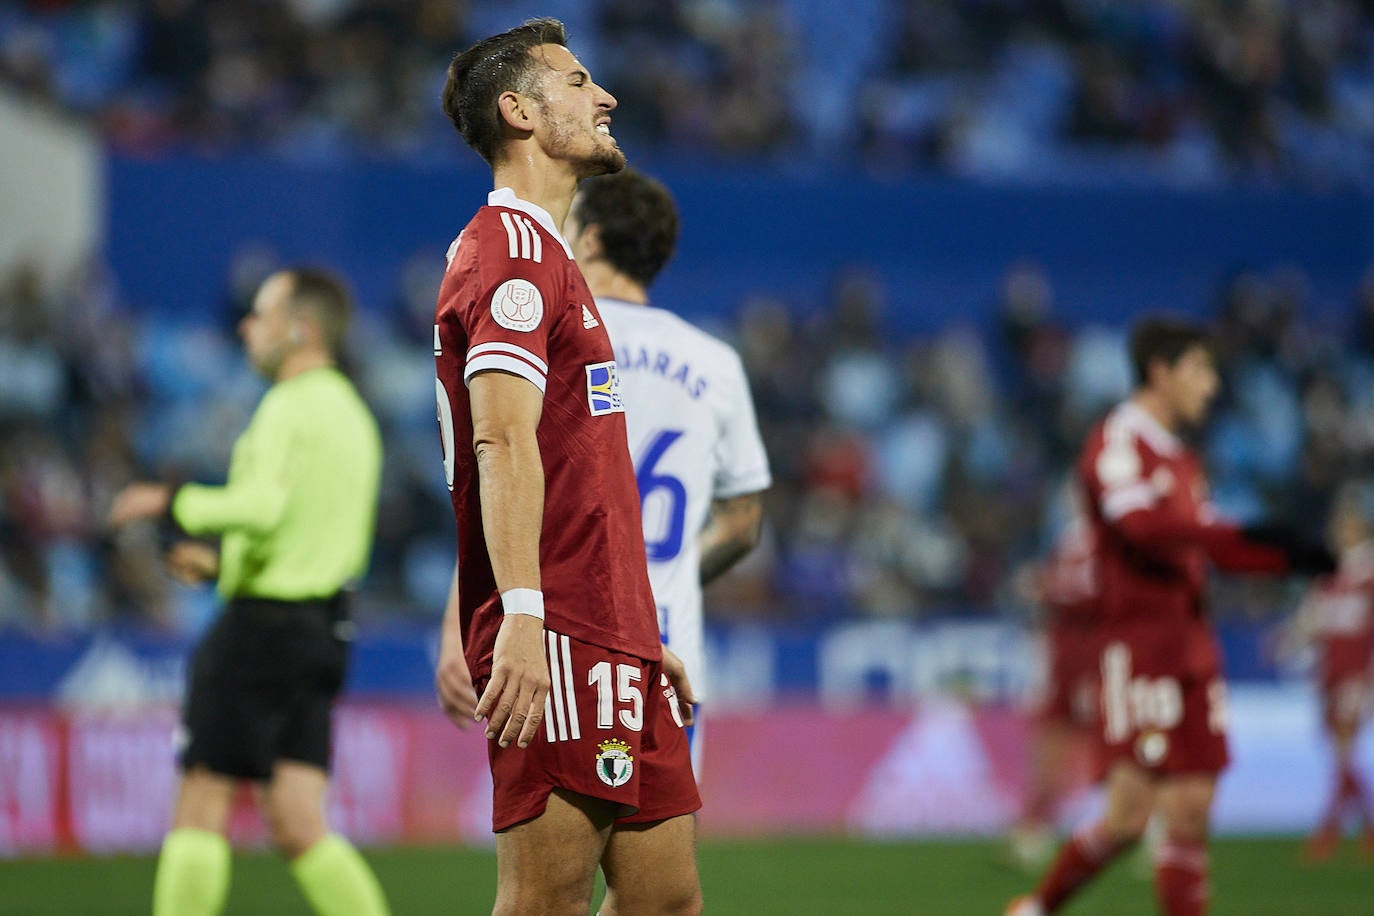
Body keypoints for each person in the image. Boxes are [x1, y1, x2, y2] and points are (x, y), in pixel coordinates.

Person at [431, 18, 701, 916]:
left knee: (665, 900)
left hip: (613, 625)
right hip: (558, 627)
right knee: (545, 901)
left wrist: (634, 625)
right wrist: (525, 615)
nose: (607, 96)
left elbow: (571, 460)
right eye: (579, 81)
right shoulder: (508, 252)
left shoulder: (549, 254)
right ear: (518, 112)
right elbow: (499, 442)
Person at [1006, 316, 1332, 916]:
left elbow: (1209, 546)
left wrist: (1291, 556)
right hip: (1141, 646)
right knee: (1130, 819)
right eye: (1200, 370)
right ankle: (1036, 908)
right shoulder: (1117, 442)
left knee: (1191, 809)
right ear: (1161, 372)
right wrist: (1235, 531)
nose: (1210, 385)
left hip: (1193, 644)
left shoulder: (1181, 459)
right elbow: (1141, 527)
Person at [107, 269, 388, 916]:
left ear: (301, 329)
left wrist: (168, 499)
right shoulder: (353, 414)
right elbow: (309, 532)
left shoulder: (289, 404)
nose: (246, 326)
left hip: (263, 627)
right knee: (296, 820)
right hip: (325, 633)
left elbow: (262, 508)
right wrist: (220, 567)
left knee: (201, 798)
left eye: (261, 314)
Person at [563, 168, 771, 773]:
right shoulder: (716, 363)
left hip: (564, 646)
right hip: (670, 652)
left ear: (594, 240)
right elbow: (742, 525)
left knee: (548, 865)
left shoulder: (552, 341)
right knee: (661, 860)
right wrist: (672, 574)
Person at [1277, 495, 1374, 861]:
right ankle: (1364, 826)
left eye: (1345, 526)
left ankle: (1330, 829)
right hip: (1328, 674)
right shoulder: (1328, 573)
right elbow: (1311, 621)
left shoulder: (1368, 572)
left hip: (1357, 674)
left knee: (1344, 749)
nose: (1338, 533)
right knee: (1338, 752)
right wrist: (1287, 642)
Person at [1008, 494, 1100, 872]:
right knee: (1056, 736)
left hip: (1096, 649)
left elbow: (1075, 593)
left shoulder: (1106, 538)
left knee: (1111, 736)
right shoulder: (1077, 536)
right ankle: (1036, 827)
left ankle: (1146, 824)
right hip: (1069, 652)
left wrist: (1045, 588)